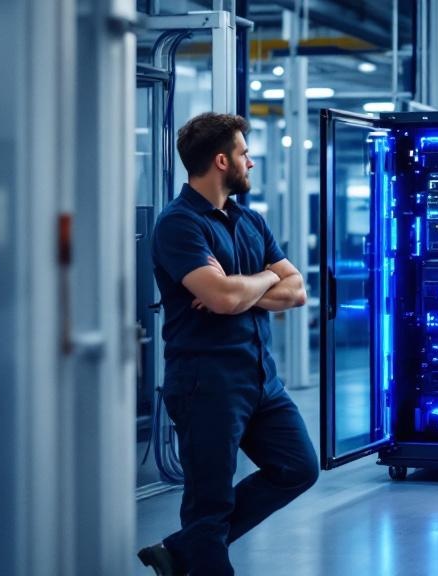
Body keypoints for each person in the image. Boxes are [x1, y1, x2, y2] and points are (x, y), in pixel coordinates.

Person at [138, 112, 318, 576]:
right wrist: (257, 283)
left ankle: (181, 552)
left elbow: (297, 291)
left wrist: (242, 290)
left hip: (262, 379)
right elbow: (220, 299)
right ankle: (199, 557)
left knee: (298, 468)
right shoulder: (178, 225)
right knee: (210, 503)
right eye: (243, 153)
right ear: (222, 161)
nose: (250, 162)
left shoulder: (250, 221)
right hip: (207, 384)